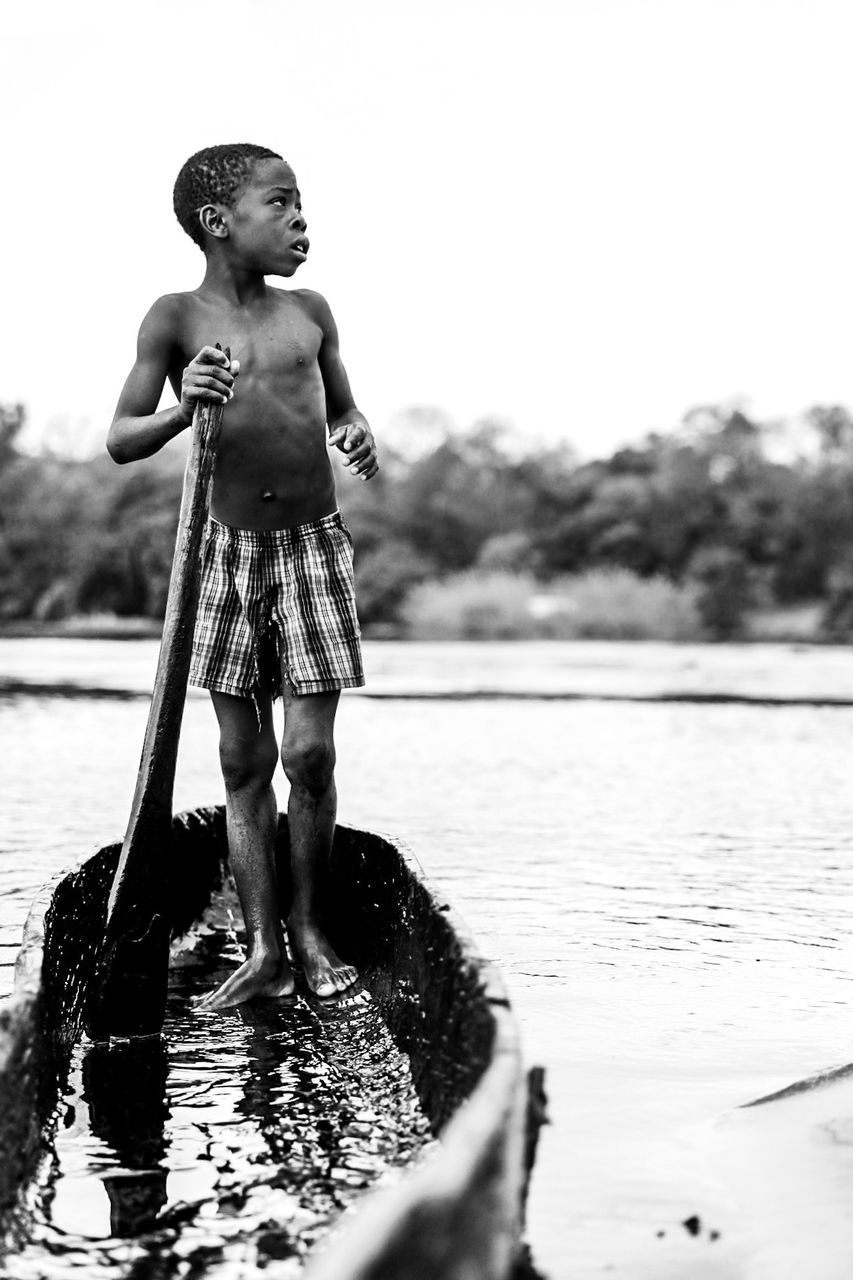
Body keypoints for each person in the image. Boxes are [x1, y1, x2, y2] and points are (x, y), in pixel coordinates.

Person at [107, 143, 378, 1008]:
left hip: (310, 546)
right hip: (224, 552)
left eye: (300, 204)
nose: (302, 220)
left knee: (307, 752)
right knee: (242, 757)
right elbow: (120, 436)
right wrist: (186, 406)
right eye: (282, 203)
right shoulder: (174, 317)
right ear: (220, 223)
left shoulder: (311, 313)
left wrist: (356, 429)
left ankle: (308, 927)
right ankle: (262, 949)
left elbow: (342, 405)